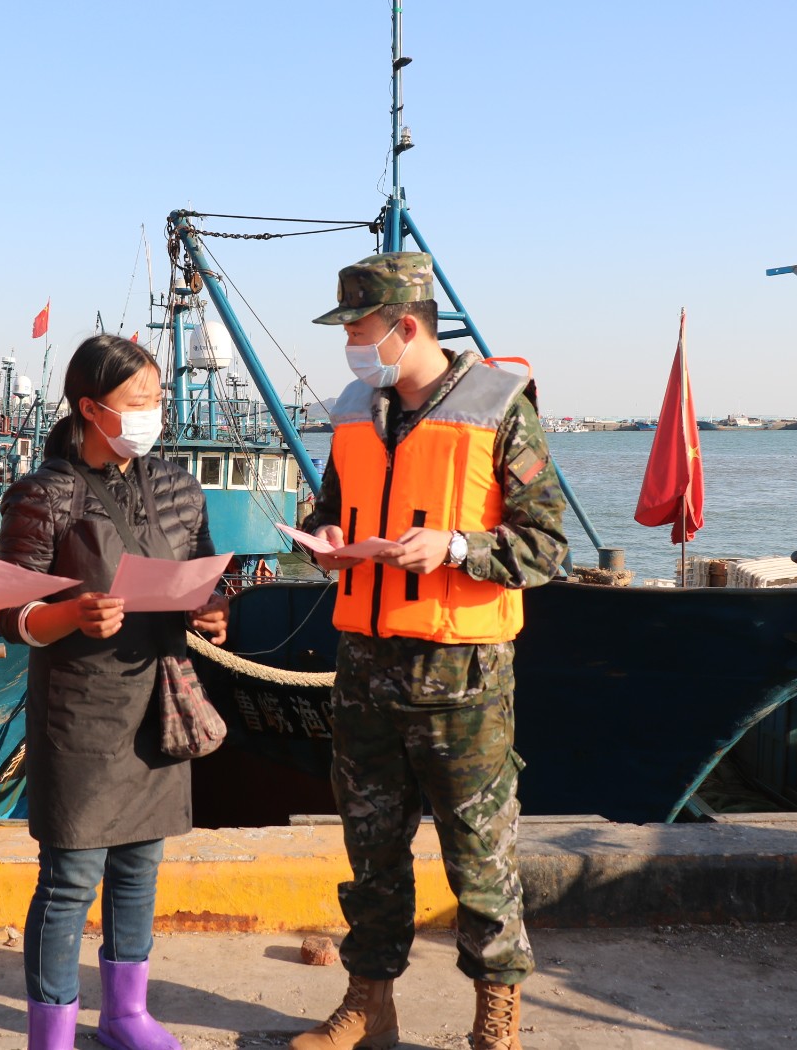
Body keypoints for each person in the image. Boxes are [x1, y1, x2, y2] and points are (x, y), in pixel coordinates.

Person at [290, 252, 568, 1050]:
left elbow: (547, 546)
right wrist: (329, 542)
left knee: (481, 856)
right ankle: (367, 1005)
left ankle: (495, 1024)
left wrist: (452, 547)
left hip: (463, 678)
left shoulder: (499, 406)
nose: (350, 342)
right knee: (370, 852)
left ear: (406, 327)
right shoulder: (354, 409)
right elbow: (333, 511)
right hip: (364, 668)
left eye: (359, 327)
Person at [0, 333, 229, 1050]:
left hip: (157, 700)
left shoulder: (181, 488)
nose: (153, 413)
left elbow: (201, 576)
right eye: (138, 401)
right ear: (91, 408)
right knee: (70, 878)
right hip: (79, 712)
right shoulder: (43, 493)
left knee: (141, 864)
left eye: (157, 399)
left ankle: (127, 1013)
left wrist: (215, 613)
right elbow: (13, 614)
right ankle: (51, 1032)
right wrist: (73, 613)